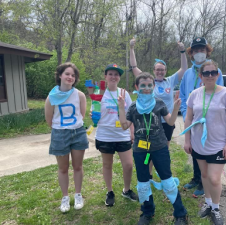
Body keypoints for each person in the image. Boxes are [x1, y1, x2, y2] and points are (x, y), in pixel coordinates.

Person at [118, 73, 188, 225]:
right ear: (137, 87)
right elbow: (124, 126)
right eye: (143, 85)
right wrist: (121, 109)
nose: (147, 88)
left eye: (150, 85)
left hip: (159, 148)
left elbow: (170, 122)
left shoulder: (159, 103)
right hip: (140, 150)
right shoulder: (133, 107)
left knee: (168, 180)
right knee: (143, 182)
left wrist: (176, 108)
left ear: (154, 87)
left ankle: (180, 213)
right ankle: (147, 212)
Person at [183, 60, 226, 225]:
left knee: (214, 178)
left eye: (214, 72)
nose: (210, 75)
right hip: (199, 143)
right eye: (206, 73)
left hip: (218, 145)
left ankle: (215, 208)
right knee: (204, 175)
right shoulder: (195, 94)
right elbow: (189, 118)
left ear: (218, 74)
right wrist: (187, 140)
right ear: (201, 76)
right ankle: (207, 203)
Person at [130, 37, 188, 179]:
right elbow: (134, 67)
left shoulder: (171, 80)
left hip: (167, 121)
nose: (160, 72)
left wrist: (182, 51)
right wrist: (131, 49)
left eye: (162, 70)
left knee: (163, 149)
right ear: (154, 70)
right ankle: (148, 174)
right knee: (149, 149)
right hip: (149, 122)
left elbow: (184, 68)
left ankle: (163, 174)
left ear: (165, 70)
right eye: (158, 70)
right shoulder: (148, 80)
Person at [180, 37, 224, 198]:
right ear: (191, 53)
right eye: (196, 50)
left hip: (209, 122)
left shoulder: (214, 72)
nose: (199, 53)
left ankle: (204, 182)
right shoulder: (187, 74)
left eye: (202, 50)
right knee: (194, 149)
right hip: (191, 120)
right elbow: (184, 95)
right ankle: (196, 177)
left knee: (207, 150)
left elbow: (221, 96)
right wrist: (187, 116)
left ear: (207, 51)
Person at [45, 62, 89, 213]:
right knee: (63, 168)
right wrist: (61, 129)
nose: (70, 77)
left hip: (78, 133)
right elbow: (49, 120)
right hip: (59, 134)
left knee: (78, 166)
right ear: (60, 75)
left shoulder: (80, 95)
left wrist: (72, 126)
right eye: (67, 74)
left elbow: (81, 115)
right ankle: (65, 198)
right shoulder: (51, 97)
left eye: (73, 75)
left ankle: (78, 195)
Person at [92, 64, 138, 206]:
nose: (113, 76)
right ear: (105, 77)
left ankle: (126, 190)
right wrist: (93, 116)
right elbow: (95, 116)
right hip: (105, 136)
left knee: (129, 165)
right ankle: (110, 192)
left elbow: (131, 114)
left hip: (122, 135)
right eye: (110, 74)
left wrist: (132, 133)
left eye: (116, 74)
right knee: (107, 165)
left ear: (119, 77)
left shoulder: (124, 93)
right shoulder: (99, 93)